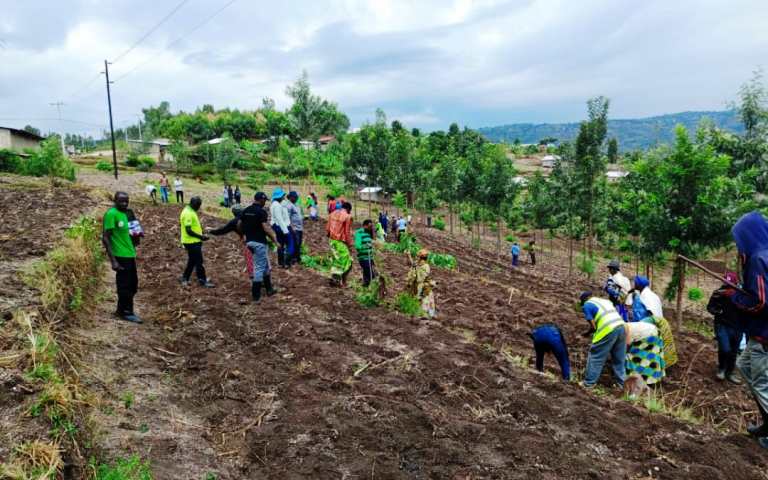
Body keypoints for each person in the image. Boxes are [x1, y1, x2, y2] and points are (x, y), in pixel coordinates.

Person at [729, 211, 768, 446]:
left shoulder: (758, 259)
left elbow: (762, 301)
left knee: (762, 382)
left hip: (763, 333)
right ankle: (767, 421)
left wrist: (737, 299)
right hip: (760, 333)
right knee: (744, 367)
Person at [102, 192, 142, 324]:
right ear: (115, 201)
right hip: (120, 255)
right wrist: (113, 261)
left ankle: (120, 309)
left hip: (130, 253)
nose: (124, 204)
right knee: (125, 285)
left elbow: (131, 231)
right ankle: (127, 312)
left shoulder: (128, 213)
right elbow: (106, 238)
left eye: (126, 201)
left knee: (133, 285)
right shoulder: (111, 214)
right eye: (121, 201)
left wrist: (137, 235)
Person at [579, 291, 626, 388]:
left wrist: (586, 334)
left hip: (608, 329)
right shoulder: (605, 301)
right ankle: (622, 384)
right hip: (621, 327)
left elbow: (593, 326)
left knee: (596, 356)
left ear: (584, 300)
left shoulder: (587, 305)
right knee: (619, 358)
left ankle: (588, 383)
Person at [238, 192, 279, 302]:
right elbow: (265, 228)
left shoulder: (246, 210)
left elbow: (239, 224)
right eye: (264, 200)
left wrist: (243, 234)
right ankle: (256, 296)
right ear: (261, 200)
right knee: (259, 268)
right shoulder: (261, 212)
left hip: (249, 242)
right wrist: (275, 241)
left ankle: (269, 289)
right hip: (259, 243)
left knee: (264, 266)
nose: (265, 202)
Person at [630, 275, 678, 368]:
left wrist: (641, 326)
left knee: (645, 351)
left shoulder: (646, 297)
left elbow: (653, 315)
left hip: (649, 327)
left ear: (639, 285)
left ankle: (645, 369)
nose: (634, 284)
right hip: (653, 325)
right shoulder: (650, 295)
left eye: (635, 283)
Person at [707, 272, 743, 384]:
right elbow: (710, 307)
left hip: (738, 327)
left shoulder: (742, 294)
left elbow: (748, 308)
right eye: (726, 283)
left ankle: (730, 372)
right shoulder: (718, 293)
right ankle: (721, 369)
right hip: (722, 325)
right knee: (725, 348)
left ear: (736, 283)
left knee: (734, 351)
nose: (728, 287)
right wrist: (718, 311)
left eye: (730, 284)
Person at [209, 205, 253, 279]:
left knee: (250, 260)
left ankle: (255, 280)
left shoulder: (234, 222)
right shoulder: (250, 217)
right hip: (258, 240)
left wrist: (211, 231)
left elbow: (222, 230)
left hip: (248, 243)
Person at [179, 196, 214, 288]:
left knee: (192, 260)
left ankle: (184, 277)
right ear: (195, 204)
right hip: (191, 242)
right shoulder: (188, 213)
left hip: (193, 241)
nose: (199, 208)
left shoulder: (189, 210)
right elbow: (188, 230)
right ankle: (202, 280)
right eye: (198, 206)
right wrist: (201, 237)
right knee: (199, 261)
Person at [624, 321, 666, 385]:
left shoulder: (622, 329)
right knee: (652, 357)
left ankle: (641, 381)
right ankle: (654, 380)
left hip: (647, 335)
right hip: (654, 331)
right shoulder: (620, 325)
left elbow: (628, 343)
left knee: (633, 357)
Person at [326, 201, 353, 286]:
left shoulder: (332, 214)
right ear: (348, 209)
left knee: (336, 260)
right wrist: (349, 244)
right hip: (339, 242)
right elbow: (347, 232)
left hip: (331, 241)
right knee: (348, 261)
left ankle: (336, 279)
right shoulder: (347, 216)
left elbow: (327, 229)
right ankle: (340, 280)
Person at [406, 249, 436, 318]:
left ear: (420, 258)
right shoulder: (419, 264)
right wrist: (408, 255)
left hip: (421, 286)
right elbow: (412, 264)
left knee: (421, 299)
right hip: (417, 285)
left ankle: (423, 314)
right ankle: (418, 312)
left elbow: (421, 278)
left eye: (417, 257)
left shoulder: (425, 266)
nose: (416, 258)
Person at [270, 188, 293, 268]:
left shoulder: (277, 203)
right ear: (279, 196)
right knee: (290, 243)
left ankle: (281, 262)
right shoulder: (276, 206)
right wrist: (286, 231)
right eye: (283, 196)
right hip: (280, 226)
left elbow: (286, 204)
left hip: (277, 226)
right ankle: (286, 262)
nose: (284, 197)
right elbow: (279, 219)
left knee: (281, 243)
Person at [355, 220, 376, 287]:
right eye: (369, 226)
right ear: (365, 225)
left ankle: (365, 287)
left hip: (370, 257)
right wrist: (365, 246)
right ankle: (372, 287)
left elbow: (371, 243)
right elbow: (357, 246)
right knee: (371, 275)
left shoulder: (368, 233)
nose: (370, 228)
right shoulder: (359, 232)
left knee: (367, 274)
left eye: (371, 226)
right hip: (364, 258)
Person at [286, 191, 303, 265]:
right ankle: (293, 258)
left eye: (296, 197)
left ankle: (296, 257)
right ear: (290, 197)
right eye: (295, 197)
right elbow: (288, 217)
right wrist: (291, 227)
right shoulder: (289, 206)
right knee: (296, 243)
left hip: (299, 228)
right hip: (294, 228)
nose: (296, 198)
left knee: (299, 243)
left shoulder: (296, 205)